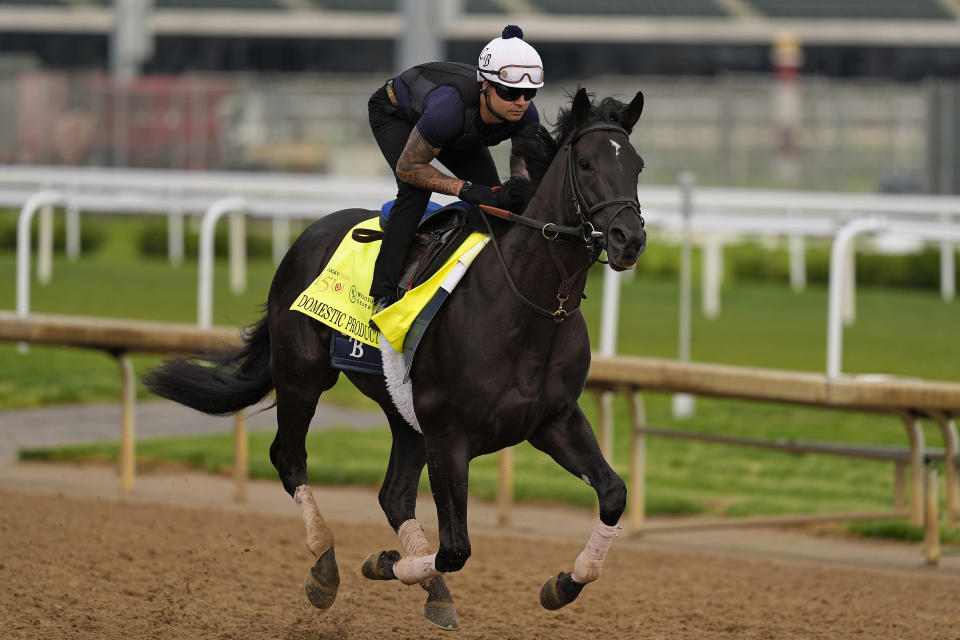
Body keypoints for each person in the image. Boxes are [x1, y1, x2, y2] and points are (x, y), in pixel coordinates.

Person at [366, 24, 544, 315]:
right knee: (415, 191)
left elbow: (520, 176)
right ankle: (383, 294)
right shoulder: (449, 110)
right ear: (485, 85)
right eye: (511, 92)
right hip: (397, 113)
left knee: (496, 201)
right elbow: (409, 167)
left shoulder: (526, 117)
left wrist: (516, 194)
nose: (521, 102)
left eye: (529, 92)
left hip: (455, 131)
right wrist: (466, 189)